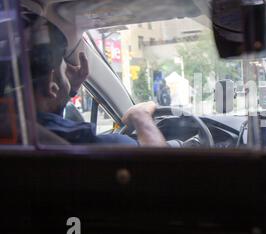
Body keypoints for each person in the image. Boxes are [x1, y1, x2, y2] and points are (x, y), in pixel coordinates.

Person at [26, 13, 166, 147]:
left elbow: (45, 112)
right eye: (64, 69)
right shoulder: (83, 141)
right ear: (52, 88)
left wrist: (70, 89)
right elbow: (160, 162)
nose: (69, 72)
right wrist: (140, 116)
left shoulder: (17, 131)